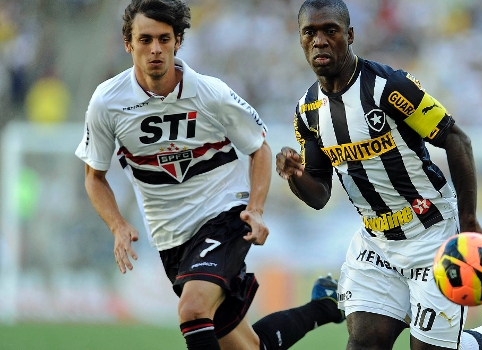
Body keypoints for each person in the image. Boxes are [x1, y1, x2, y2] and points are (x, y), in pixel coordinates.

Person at [75, 1, 343, 349]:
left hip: (224, 215)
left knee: (192, 309)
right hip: (171, 238)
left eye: (163, 39)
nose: (155, 49)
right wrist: (118, 225)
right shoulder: (106, 102)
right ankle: (322, 307)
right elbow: (94, 177)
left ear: (178, 41)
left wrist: (256, 210)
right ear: (128, 44)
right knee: (248, 346)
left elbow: (258, 147)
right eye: (144, 40)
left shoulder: (210, 93)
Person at [276, 1, 482, 350]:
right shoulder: (307, 110)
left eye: (330, 30)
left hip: (430, 231)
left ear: (350, 35)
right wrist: (296, 175)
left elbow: (456, 139)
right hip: (376, 242)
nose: (320, 40)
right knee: (364, 342)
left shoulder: (388, 87)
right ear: (300, 40)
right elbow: (319, 195)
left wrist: (468, 219)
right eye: (309, 32)